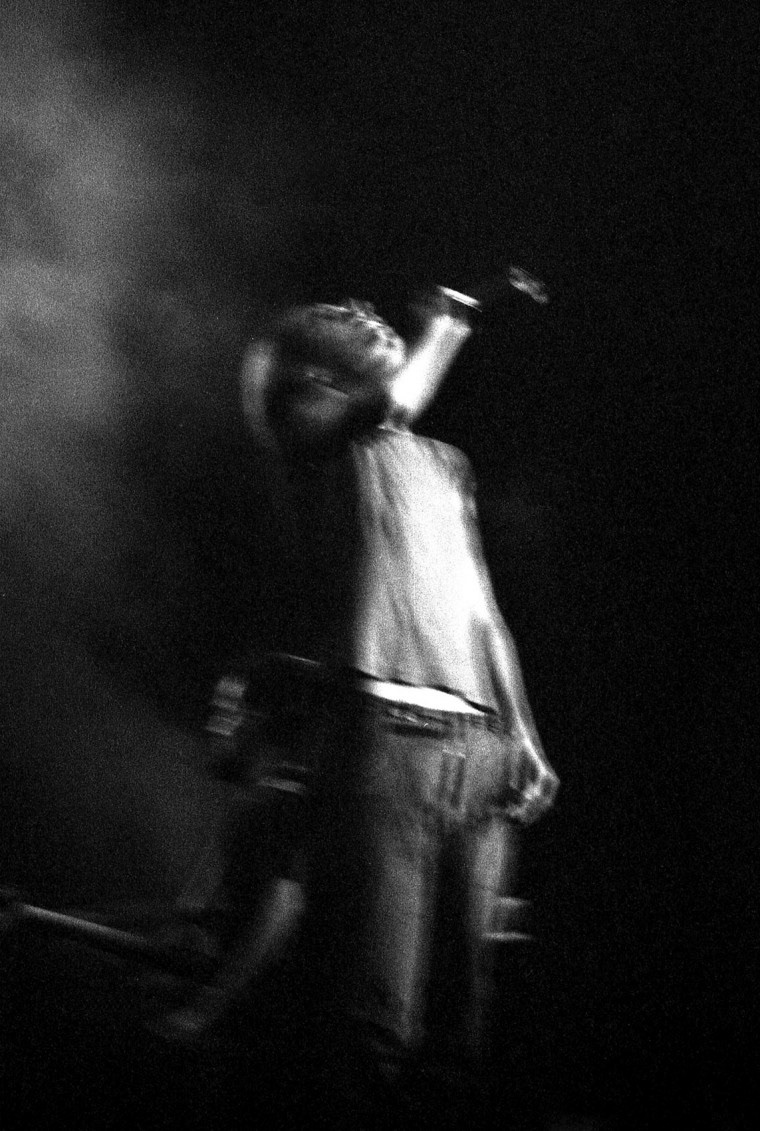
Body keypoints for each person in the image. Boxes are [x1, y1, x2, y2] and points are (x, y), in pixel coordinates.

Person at [232, 286, 558, 1127]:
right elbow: (388, 404)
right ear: (309, 378)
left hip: (478, 748)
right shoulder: (316, 440)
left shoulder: (442, 463)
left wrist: (522, 732)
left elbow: (482, 610)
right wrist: (442, 330)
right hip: (386, 746)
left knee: (459, 1027)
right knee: (379, 1023)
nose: (361, 310)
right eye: (339, 320)